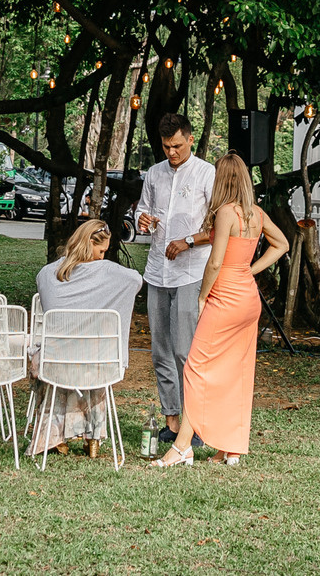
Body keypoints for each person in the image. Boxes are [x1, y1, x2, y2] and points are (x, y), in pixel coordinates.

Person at [152, 154, 288, 466]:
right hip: (247, 299)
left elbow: (215, 262)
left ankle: (183, 445)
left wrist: (202, 298)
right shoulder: (255, 214)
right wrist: (250, 271)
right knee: (235, 372)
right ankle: (231, 448)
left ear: (222, 180)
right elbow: (281, 245)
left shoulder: (227, 212)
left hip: (225, 297)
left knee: (195, 367)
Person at [29, 218, 145, 457]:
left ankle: (55, 435)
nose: (103, 257)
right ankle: (93, 437)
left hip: (56, 361)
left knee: (57, 356)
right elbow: (136, 280)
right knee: (90, 356)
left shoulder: (47, 273)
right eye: (101, 250)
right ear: (90, 242)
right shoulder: (106, 272)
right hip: (96, 361)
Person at [133, 115, 214, 438]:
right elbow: (142, 208)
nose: (172, 152)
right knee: (160, 349)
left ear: (190, 140)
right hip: (157, 270)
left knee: (185, 349)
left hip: (190, 271)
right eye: (167, 147)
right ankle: (171, 420)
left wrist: (189, 241)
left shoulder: (207, 173)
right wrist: (143, 219)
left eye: (177, 146)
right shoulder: (154, 173)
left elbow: (219, 225)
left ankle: (195, 422)